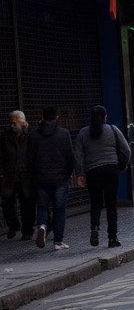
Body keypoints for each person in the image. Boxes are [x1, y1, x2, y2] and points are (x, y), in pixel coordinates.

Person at [74, 106, 130, 248]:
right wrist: (123, 164)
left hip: (92, 172)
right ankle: (112, 238)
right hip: (111, 169)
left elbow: (78, 155)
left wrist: (79, 173)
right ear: (105, 117)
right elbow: (126, 149)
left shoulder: (83, 133)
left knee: (96, 202)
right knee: (111, 205)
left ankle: (94, 227)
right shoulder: (112, 129)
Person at [27, 106, 74, 250]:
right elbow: (70, 156)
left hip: (41, 178)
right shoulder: (64, 134)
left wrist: (34, 175)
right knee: (59, 209)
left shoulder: (34, 135)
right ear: (56, 117)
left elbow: (29, 158)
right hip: (60, 178)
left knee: (42, 206)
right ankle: (58, 242)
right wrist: (68, 173)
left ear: (42, 117)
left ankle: (42, 226)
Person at [0, 110, 36, 241]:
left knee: (27, 204)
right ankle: (13, 225)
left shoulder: (30, 136)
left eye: (14, 123)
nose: (12, 125)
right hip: (9, 175)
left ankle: (28, 230)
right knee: (7, 203)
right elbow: (1, 156)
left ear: (22, 122)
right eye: (11, 123)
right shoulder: (5, 137)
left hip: (26, 175)